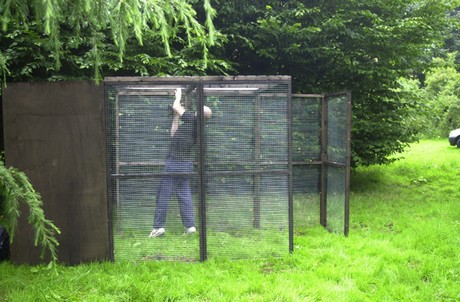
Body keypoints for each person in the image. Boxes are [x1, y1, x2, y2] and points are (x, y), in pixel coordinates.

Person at [150, 88, 212, 237]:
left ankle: (158, 227)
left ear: (200, 115)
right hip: (185, 165)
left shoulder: (194, 120)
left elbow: (177, 106)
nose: (195, 110)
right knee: (184, 195)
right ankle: (190, 227)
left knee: (163, 194)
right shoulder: (195, 125)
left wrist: (177, 96)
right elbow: (174, 133)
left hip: (174, 163)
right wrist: (176, 116)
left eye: (199, 109)